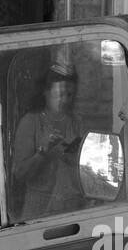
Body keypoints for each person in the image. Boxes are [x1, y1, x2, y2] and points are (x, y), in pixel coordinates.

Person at [11, 63, 84, 219]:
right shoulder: (31, 122)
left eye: (69, 95)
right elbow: (20, 174)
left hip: (72, 209)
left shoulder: (77, 123)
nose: (65, 100)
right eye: (60, 94)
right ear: (46, 92)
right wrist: (43, 151)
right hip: (38, 210)